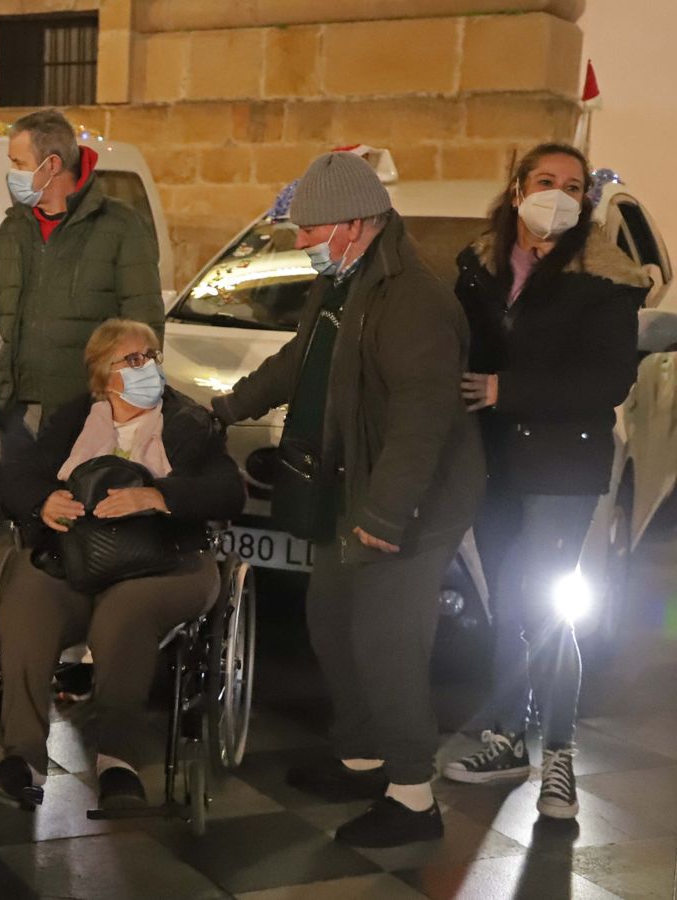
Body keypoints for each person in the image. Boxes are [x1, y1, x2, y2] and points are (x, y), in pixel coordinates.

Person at [212, 151, 485, 848]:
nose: (301, 243)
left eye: (311, 230)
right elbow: (296, 363)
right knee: (332, 621)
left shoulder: (414, 301)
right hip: (352, 485)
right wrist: (224, 407)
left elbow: (422, 420)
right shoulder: (344, 286)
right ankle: (364, 758)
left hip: (409, 502)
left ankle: (414, 796)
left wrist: (386, 517)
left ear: (357, 225)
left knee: (386, 640)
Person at [443, 144, 645, 820]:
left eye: (573, 185)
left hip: (562, 462)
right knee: (507, 600)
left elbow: (608, 380)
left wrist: (509, 389)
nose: (559, 194)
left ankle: (558, 752)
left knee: (550, 605)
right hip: (493, 460)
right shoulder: (478, 265)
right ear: (517, 186)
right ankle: (505, 736)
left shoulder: (605, 276)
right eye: (546, 181)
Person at [0, 320, 244, 810]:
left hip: (168, 561)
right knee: (26, 598)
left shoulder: (190, 422)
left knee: (125, 612)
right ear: (102, 376)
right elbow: (14, 474)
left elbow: (230, 490)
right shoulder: (75, 419)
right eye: (133, 359)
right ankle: (25, 760)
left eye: (152, 356)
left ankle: (117, 762)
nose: (148, 367)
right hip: (77, 556)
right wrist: (43, 502)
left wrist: (157, 495)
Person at [0, 109, 164, 461]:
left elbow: (144, 324)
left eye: (18, 163)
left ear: (52, 165)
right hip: (20, 410)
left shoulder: (120, 226)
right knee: (25, 505)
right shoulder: (14, 227)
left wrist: (122, 406)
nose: (12, 173)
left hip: (89, 415)